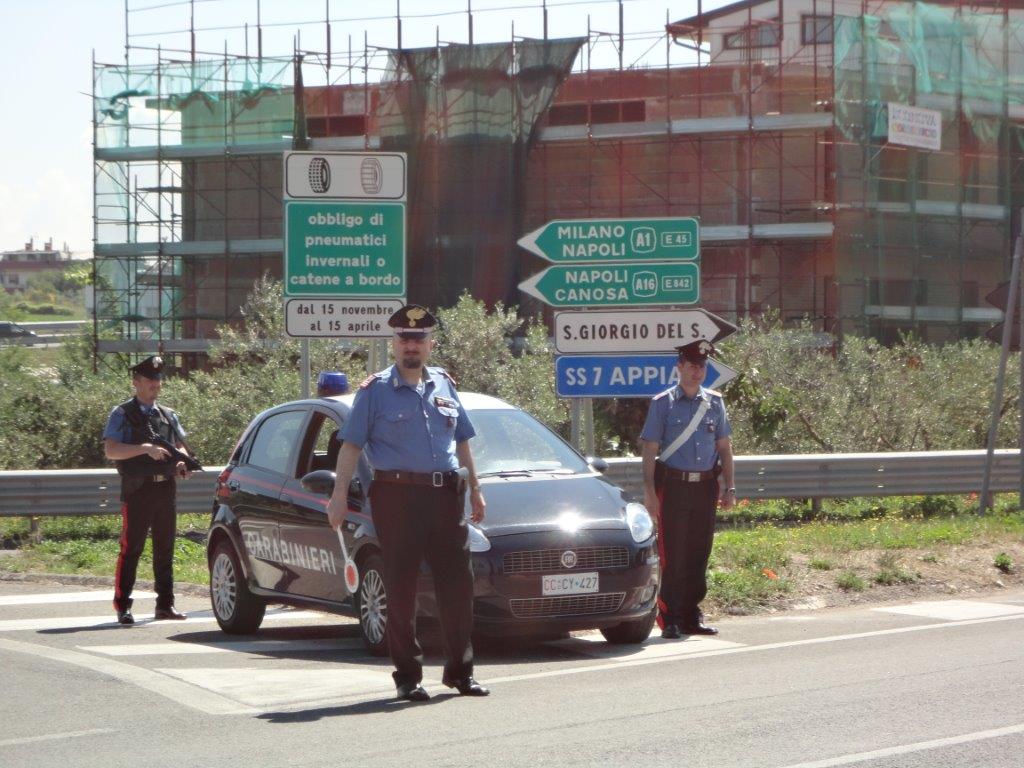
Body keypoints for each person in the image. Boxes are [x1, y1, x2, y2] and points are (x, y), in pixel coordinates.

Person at [326, 304, 489, 702]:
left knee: (458, 585)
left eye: (418, 339)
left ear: (430, 344)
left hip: (446, 495)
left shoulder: (446, 386)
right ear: (393, 344)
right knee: (402, 587)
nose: (410, 346)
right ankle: (408, 676)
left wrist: (477, 488)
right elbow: (351, 446)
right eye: (403, 339)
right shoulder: (374, 391)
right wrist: (339, 494)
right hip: (397, 497)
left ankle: (460, 672)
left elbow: (462, 440)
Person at [640, 339, 735, 639]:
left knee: (699, 552)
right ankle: (670, 617)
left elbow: (725, 448)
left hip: (704, 488)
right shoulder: (662, 404)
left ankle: (692, 614)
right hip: (674, 487)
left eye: (703, 366)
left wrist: (729, 487)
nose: (698, 372)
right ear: (679, 367)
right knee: (674, 555)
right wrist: (649, 493)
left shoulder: (715, 403)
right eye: (692, 366)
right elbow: (649, 449)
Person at [103, 355, 193, 625]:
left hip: (165, 488)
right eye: (150, 379)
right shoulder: (122, 414)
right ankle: (123, 606)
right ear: (136, 382)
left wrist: (181, 461)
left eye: (158, 379)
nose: (156, 384)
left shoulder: (167, 414)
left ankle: (165, 605)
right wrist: (144, 449)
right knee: (132, 549)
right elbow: (111, 450)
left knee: (165, 549)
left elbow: (182, 446)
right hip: (138, 490)